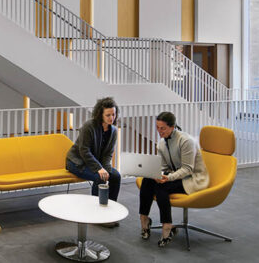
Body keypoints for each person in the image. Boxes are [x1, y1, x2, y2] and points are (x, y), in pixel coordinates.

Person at [138, 111, 208, 248]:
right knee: (148, 179)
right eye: (157, 127)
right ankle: (144, 219)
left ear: (172, 127)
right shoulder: (161, 144)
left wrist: (168, 178)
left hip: (193, 178)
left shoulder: (186, 141)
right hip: (176, 175)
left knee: (161, 187)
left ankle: (167, 226)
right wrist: (159, 174)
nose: (159, 131)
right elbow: (164, 166)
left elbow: (188, 169)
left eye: (162, 128)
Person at [66, 97, 121, 211]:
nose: (112, 118)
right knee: (100, 178)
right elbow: (84, 151)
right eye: (108, 115)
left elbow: (108, 154)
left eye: (113, 114)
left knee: (116, 176)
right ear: (100, 114)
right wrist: (99, 169)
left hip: (95, 163)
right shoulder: (89, 126)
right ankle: (97, 212)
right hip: (77, 161)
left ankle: (111, 209)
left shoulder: (114, 131)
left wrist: (104, 168)